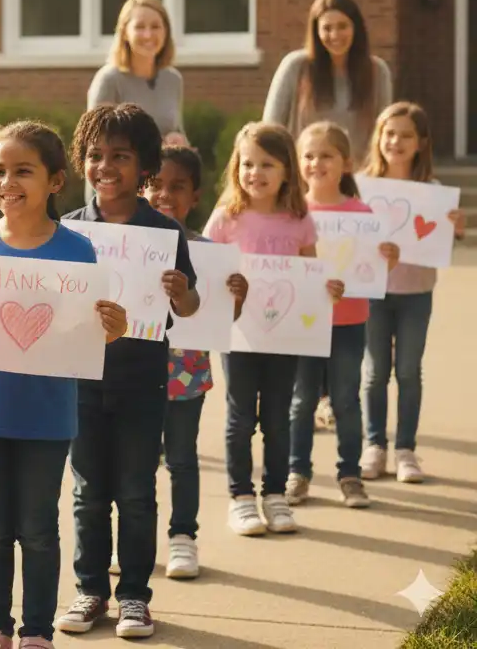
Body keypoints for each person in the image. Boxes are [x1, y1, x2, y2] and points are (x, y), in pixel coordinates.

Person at [0, 120, 128, 649]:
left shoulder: (77, 252)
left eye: (23, 171)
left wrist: (111, 330)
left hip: (48, 414)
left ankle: (34, 631)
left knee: (37, 527)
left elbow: (85, 334)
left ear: (55, 182)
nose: (8, 181)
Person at [52, 106, 197, 642]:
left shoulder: (164, 231)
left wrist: (182, 292)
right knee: (89, 491)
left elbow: (187, 305)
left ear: (145, 168)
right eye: (94, 155)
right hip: (81, 384)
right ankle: (91, 589)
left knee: (136, 491)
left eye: (120, 156)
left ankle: (134, 595)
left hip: (141, 380)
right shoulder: (67, 229)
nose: (105, 166)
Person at [205, 123, 344, 537]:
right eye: (247, 163)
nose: (255, 172)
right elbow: (210, 275)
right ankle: (241, 497)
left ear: (287, 170)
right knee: (241, 416)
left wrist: (327, 290)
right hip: (239, 336)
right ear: (236, 167)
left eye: (267, 163)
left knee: (278, 418)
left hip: (285, 337)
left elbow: (309, 275)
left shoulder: (300, 221)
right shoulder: (225, 219)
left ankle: (275, 495)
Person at [143, 146, 248, 579]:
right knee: (138, 463)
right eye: (155, 185)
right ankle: (137, 542)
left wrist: (236, 297)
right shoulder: (132, 243)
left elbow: (225, 319)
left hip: (187, 374)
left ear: (195, 197)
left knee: (182, 458)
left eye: (177, 187)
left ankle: (183, 537)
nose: (164, 194)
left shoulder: (207, 251)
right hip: (135, 374)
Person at [288, 123, 400, 510]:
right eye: (308, 155)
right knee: (302, 401)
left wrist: (387, 256)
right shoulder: (293, 212)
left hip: (350, 320)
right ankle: (297, 472)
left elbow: (373, 267)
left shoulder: (362, 214)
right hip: (303, 322)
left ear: (346, 162)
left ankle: (349, 474)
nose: (316, 162)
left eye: (326, 155)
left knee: (346, 401)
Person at [360, 103, 465, 484]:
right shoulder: (361, 187)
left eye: (405, 135)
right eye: (389, 133)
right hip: (372, 292)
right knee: (374, 372)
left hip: (417, 292)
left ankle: (405, 449)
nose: (396, 141)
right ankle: (375, 445)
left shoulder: (433, 192)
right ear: (378, 138)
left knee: (407, 370)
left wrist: (454, 230)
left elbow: (440, 249)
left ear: (421, 143)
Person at [262, 0, 393, 157]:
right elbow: (270, 129)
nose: (335, 35)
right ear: (316, 32)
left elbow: (385, 133)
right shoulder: (296, 66)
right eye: (327, 28)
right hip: (305, 175)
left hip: (357, 178)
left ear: (356, 28)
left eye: (342, 26)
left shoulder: (378, 71)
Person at [87, 0, 185, 146]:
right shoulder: (108, 79)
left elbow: (177, 129)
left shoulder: (173, 79)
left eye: (155, 27)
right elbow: (96, 142)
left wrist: (178, 138)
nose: (148, 35)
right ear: (124, 32)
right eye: (139, 27)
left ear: (166, 32)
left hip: (166, 167)